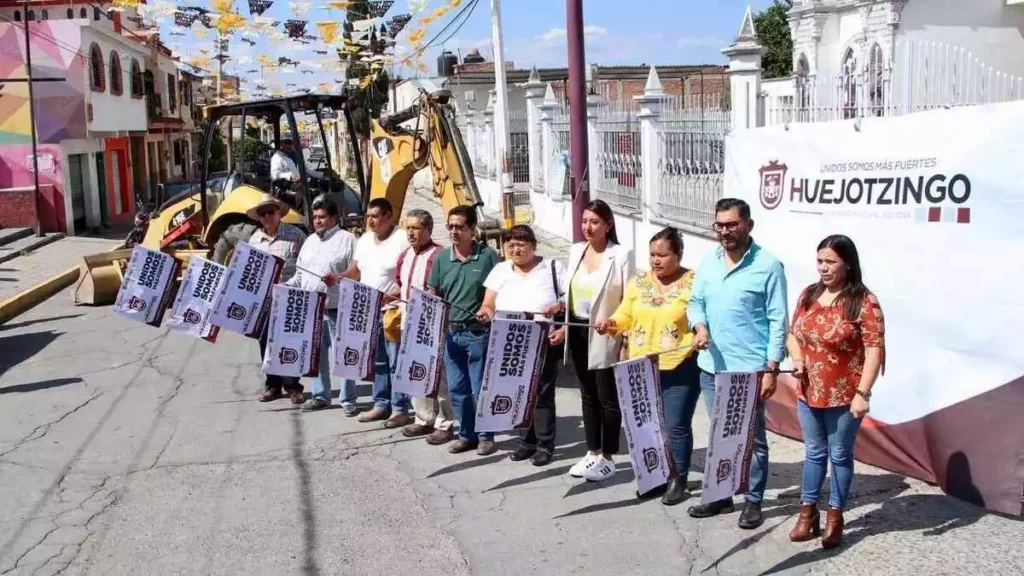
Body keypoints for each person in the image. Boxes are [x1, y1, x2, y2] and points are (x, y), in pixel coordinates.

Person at [687, 198, 788, 529]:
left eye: (732, 224)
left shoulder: (769, 266)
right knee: (720, 434)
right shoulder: (709, 262)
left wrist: (771, 369)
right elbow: (696, 302)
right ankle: (720, 495)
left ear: (748, 225)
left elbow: (778, 321)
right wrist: (699, 327)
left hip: (748, 371)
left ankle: (754, 501)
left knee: (752, 439)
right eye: (720, 225)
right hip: (711, 366)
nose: (725, 231)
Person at [786, 235, 885, 549]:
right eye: (820, 261)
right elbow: (793, 335)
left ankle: (835, 516)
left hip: (844, 395)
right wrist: (798, 358)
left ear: (847, 263)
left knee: (839, 454)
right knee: (814, 453)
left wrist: (863, 393)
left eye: (831, 262)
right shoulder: (809, 295)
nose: (823, 268)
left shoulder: (863, 301)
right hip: (808, 390)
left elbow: (874, 349)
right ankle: (807, 513)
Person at [596, 228, 699, 504]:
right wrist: (612, 324)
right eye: (652, 254)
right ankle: (655, 476)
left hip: (680, 364)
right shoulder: (639, 281)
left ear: (678, 255)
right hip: (641, 366)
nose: (656, 260)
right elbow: (626, 313)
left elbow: (701, 317)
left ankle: (679, 478)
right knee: (648, 424)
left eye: (663, 255)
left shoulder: (694, 282)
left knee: (675, 424)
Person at [545, 200, 633, 482]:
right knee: (587, 394)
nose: (588, 227)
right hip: (579, 329)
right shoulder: (575, 251)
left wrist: (621, 332)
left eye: (594, 222)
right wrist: (560, 313)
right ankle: (592, 451)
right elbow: (573, 293)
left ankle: (608, 456)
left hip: (606, 332)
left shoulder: (620, 255)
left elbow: (630, 299)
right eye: (584, 221)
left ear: (608, 225)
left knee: (607, 397)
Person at [477, 225, 567, 467]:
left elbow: (569, 303)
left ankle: (545, 445)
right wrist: (485, 313)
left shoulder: (553, 268)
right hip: (510, 343)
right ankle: (526, 442)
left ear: (533, 246)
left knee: (542, 394)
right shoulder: (500, 270)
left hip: (543, 341)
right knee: (518, 392)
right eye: (511, 244)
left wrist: (559, 312)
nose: (516, 249)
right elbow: (489, 303)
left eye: (521, 244)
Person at [427, 205, 501, 455]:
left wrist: (487, 309)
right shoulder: (442, 260)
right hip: (451, 334)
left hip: (478, 333)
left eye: (460, 226)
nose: (454, 231)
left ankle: (486, 436)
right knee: (458, 389)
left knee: (479, 388)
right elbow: (433, 292)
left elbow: (499, 291)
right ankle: (466, 435)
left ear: (472, 229)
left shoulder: (488, 257)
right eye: (450, 226)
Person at [285, 196, 359, 415]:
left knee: (344, 355)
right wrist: (283, 286)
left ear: (334, 218)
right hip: (312, 308)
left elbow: (357, 273)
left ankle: (348, 399)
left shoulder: (348, 240)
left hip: (338, 307)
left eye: (322, 217)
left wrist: (338, 277)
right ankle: (320, 396)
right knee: (316, 354)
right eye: (315, 217)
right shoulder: (309, 241)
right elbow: (299, 275)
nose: (317, 221)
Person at [390, 209, 455, 445]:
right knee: (416, 370)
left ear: (428, 230)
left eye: (416, 228)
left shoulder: (440, 256)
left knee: (441, 376)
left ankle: (445, 423)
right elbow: (401, 284)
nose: (411, 233)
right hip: (410, 321)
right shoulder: (404, 256)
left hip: (434, 324)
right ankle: (423, 418)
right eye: (408, 228)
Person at [347, 198, 411, 427]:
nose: (370, 221)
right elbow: (355, 271)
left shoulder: (402, 238)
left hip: (392, 311)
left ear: (388, 217)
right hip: (368, 309)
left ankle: (400, 408)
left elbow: (410, 273)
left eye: (375, 216)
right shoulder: (364, 240)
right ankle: (381, 404)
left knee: (396, 361)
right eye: (368, 216)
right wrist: (338, 278)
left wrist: (396, 292)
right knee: (378, 361)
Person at [247, 193, 307, 404]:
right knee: (266, 342)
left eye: (270, 212)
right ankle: (272, 385)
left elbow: (307, 263)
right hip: (265, 300)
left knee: (290, 341)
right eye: (262, 214)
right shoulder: (254, 240)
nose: (267, 217)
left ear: (278, 213)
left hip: (291, 298)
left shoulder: (295, 234)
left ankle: (292, 386)